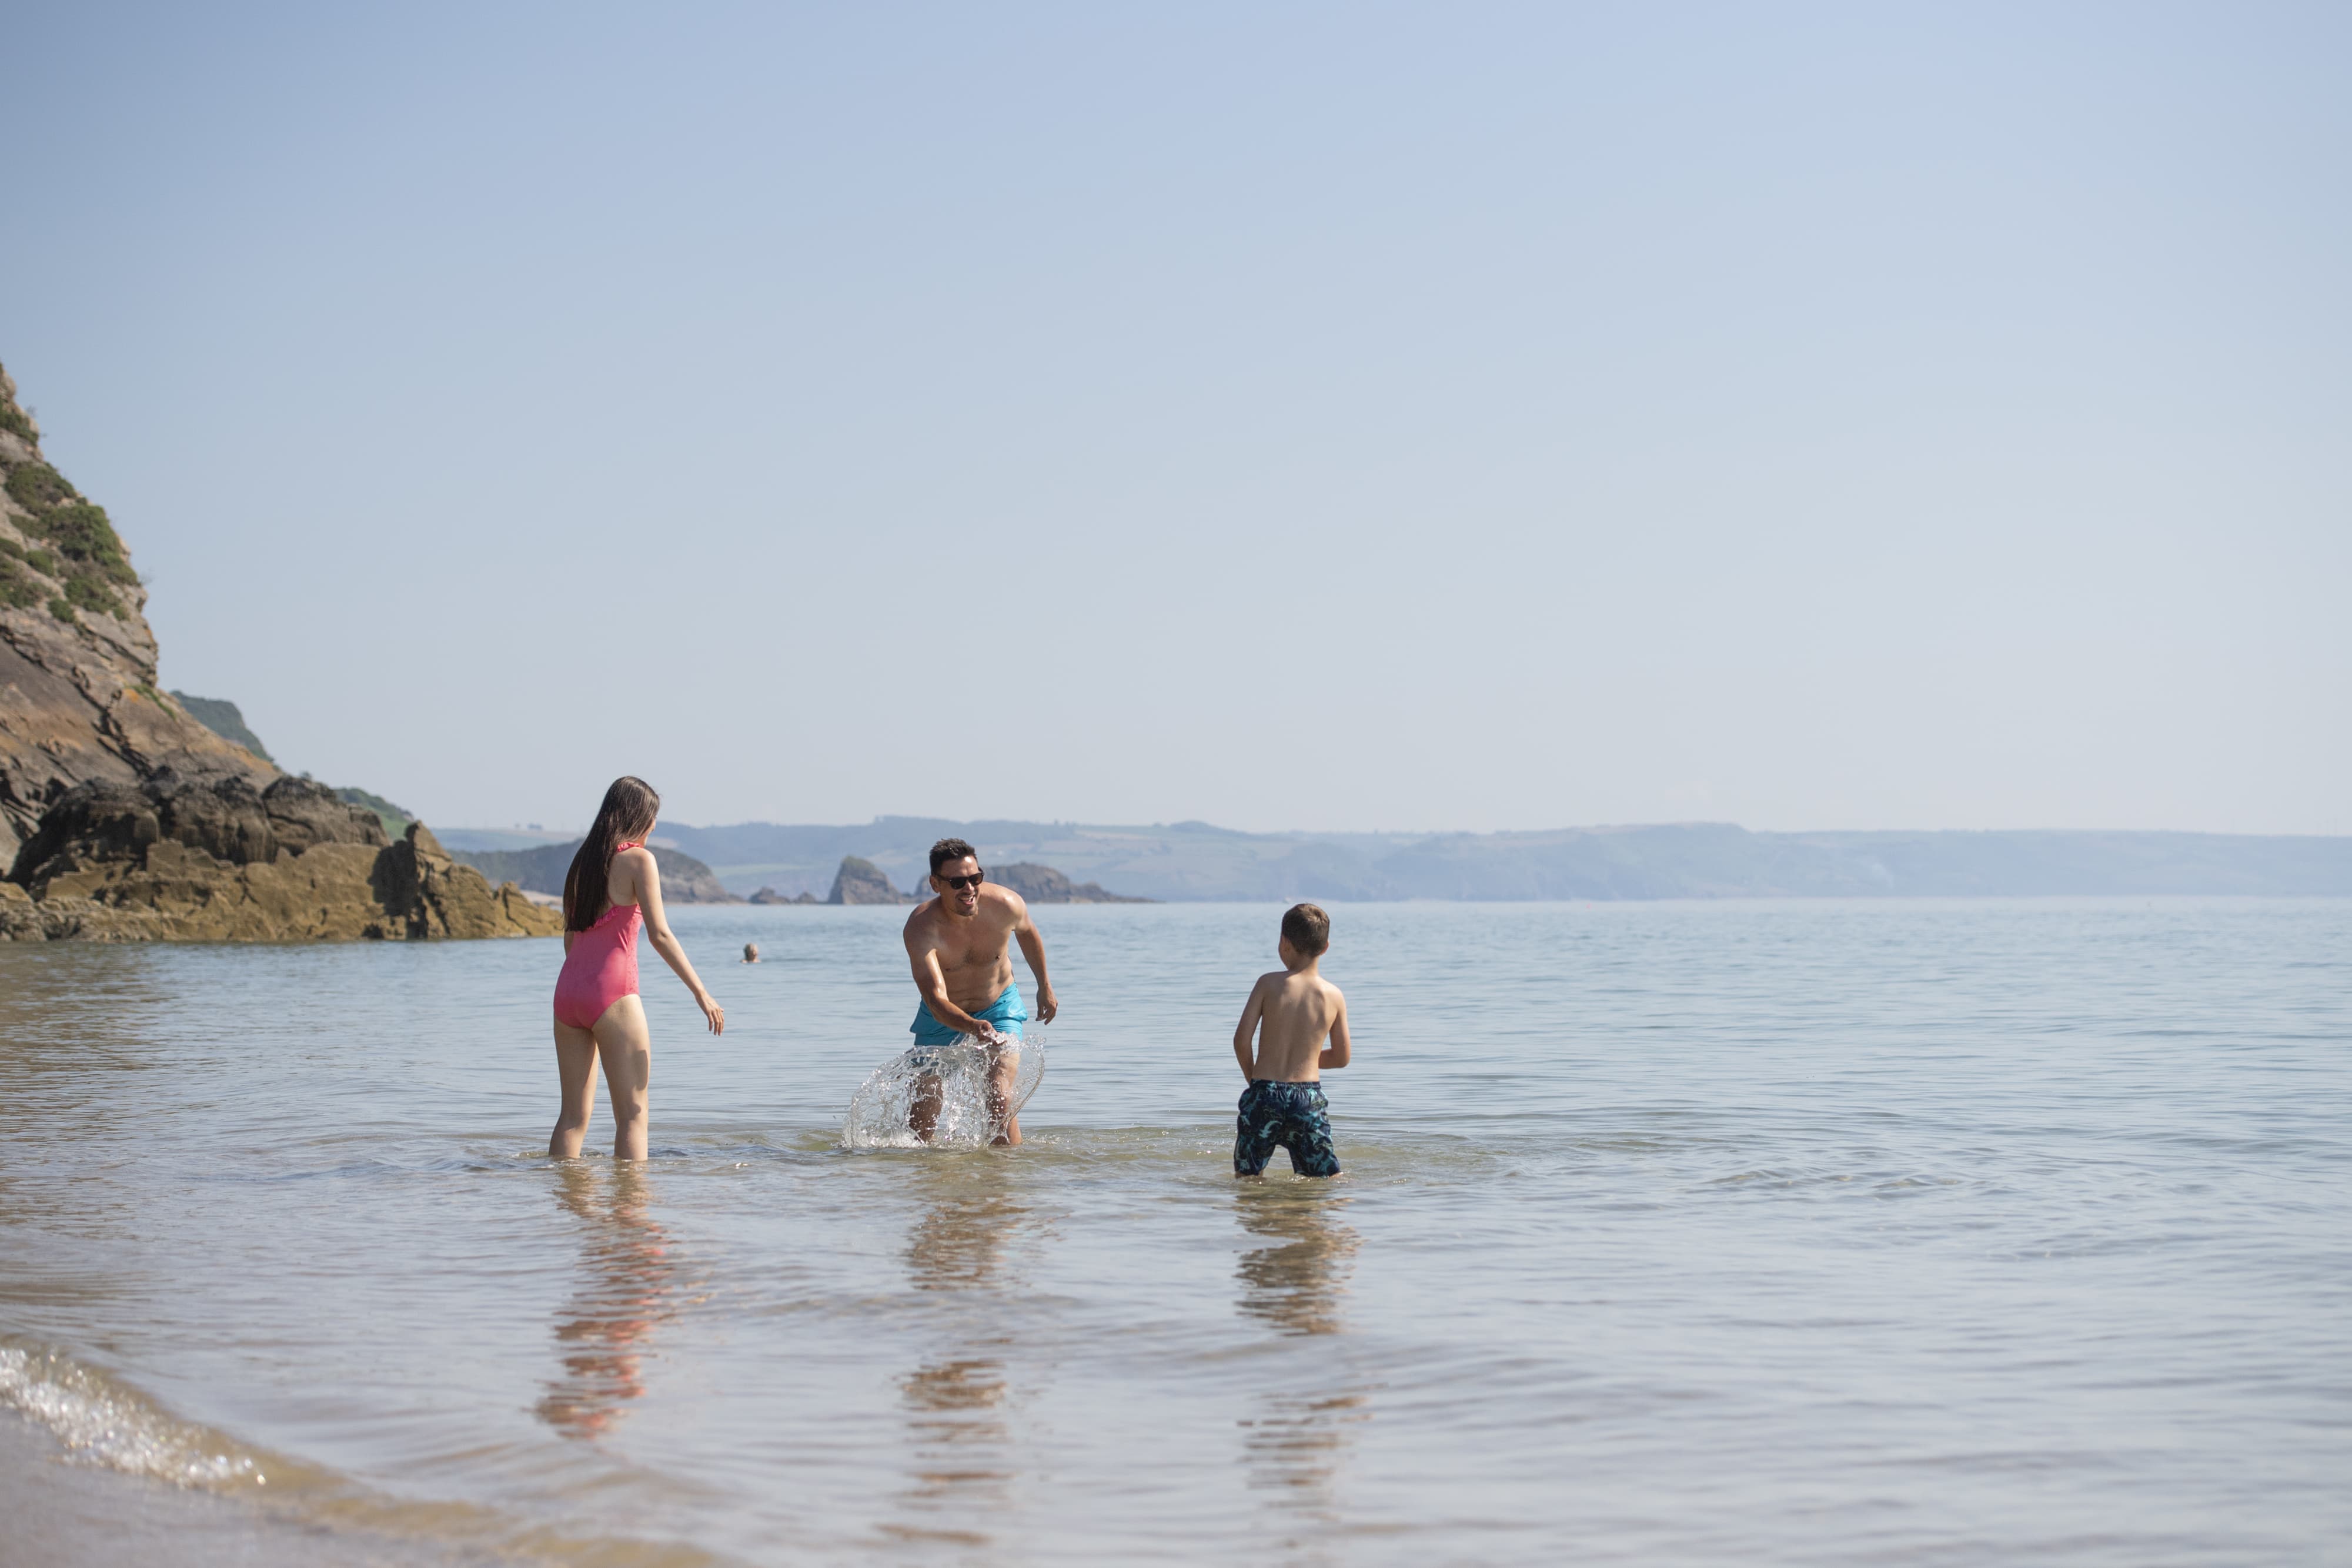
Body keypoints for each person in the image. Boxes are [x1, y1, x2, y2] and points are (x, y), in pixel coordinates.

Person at [550, 777, 724, 1160]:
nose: (655, 826)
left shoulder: (581, 864)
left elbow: (569, 939)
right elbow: (660, 934)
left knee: (572, 1117)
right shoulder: (639, 860)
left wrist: (582, 983)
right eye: (653, 817)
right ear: (638, 816)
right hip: (613, 994)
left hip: (567, 993)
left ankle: (561, 1195)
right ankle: (632, 1199)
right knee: (632, 1116)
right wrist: (702, 993)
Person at [902, 837, 1059, 1146]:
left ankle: (1004, 1170)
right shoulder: (922, 928)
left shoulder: (1005, 905)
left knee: (999, 1095)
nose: (969, 889)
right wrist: (973, 1027)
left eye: (975, 879)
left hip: (999, 1006)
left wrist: (1045, 986)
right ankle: (924, 1173)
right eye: (957, 882)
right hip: (942, 1016)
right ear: (935, 884)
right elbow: (936, 1001)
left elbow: (1028, 933)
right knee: (922, 1116)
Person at [1230, 902, 1350, 1178]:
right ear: (1326, 947)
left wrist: (1255, 1082)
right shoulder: (1333, 995)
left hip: (1265, 1093)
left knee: (1248, 1178)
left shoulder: (1268, 984)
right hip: (1307, 1098)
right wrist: (1305, 1057)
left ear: (1284, 943)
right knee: (1327, 1178)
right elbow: (1342, 1058)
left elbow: (1241, 1041)